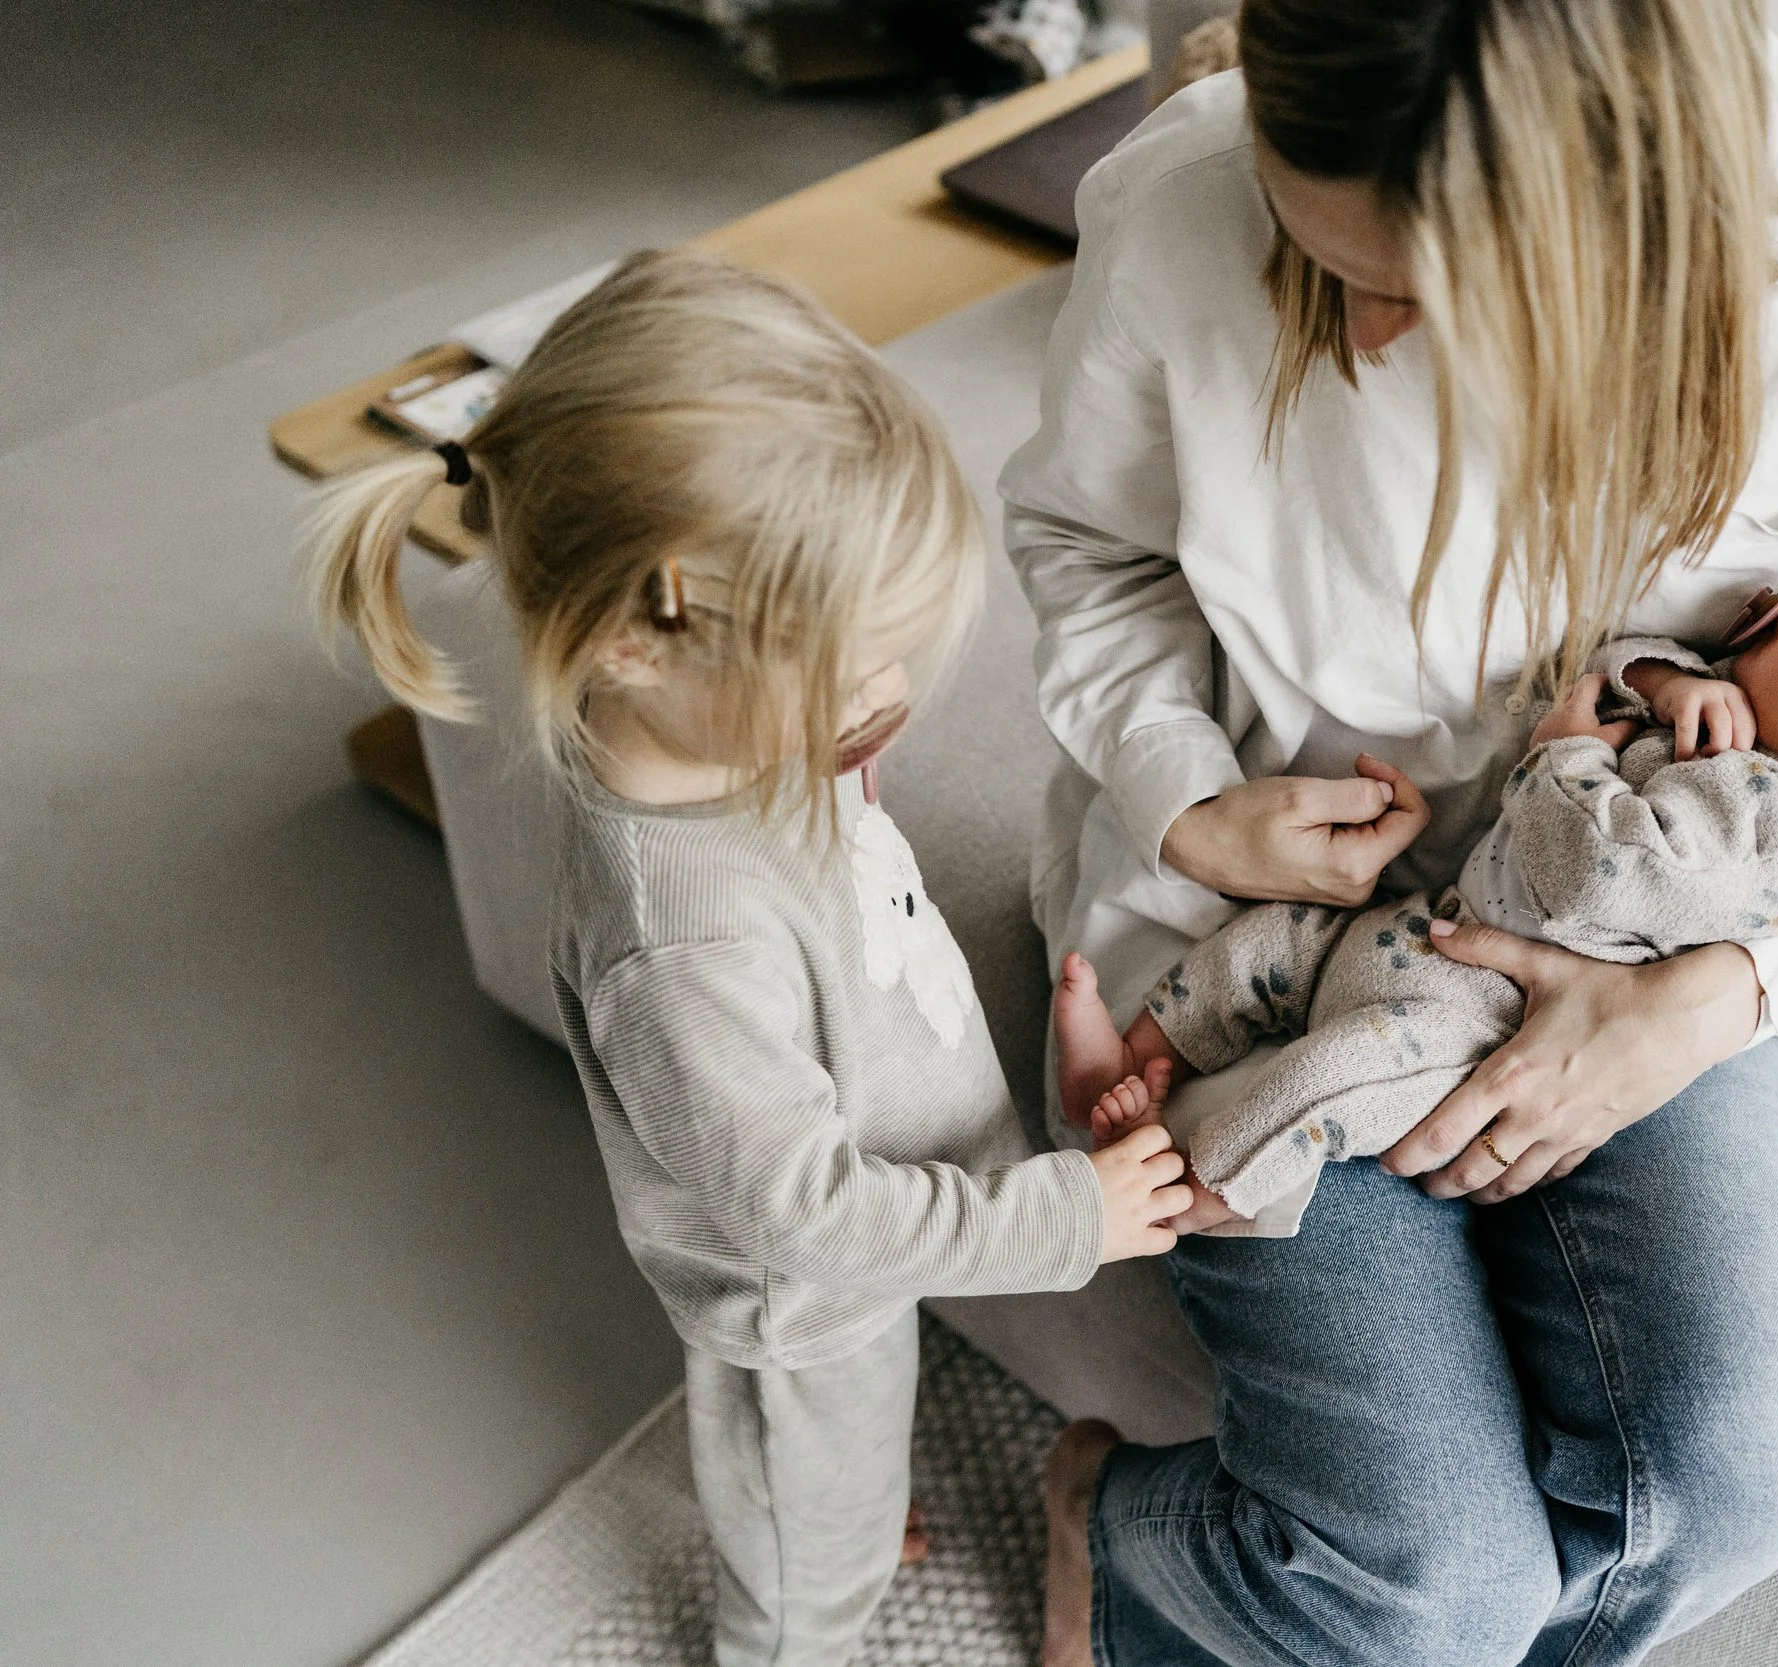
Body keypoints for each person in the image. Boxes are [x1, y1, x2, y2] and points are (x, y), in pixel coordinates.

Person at [1003, 0, 1778, 1661]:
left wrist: (1712, 1002)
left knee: (1730, 1483)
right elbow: (1091, 548)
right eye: (1331, 263)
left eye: (1421, 297)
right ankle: (1118, 1536)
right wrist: (1191, 803)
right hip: (1275, 959)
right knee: (1433, 1590)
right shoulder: (1180, 208)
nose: (1363, 340)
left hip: (1666, 956)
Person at [303, 249, 1194, 1667]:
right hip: (806, 1300)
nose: (890, 703)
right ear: (637, 641)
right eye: (847, 682)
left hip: (865, 1239)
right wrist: (1059, 1216)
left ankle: (829, 1516)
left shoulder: (721, 731)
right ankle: (795, 1600)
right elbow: (810, 1221)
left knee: (845, 1456)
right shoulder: (682, 944)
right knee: (801, 1534)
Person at [1063, 581, 1778, 1227]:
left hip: (1467, 1018)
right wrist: (1664, 679)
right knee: (1264, 948)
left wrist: (1563, 748)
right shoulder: (1753, 725)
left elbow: (1599, 868)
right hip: (1433, 921)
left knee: (1329, 1074)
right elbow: (1620, 663)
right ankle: (1139, 1052)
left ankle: (1187, 1193)